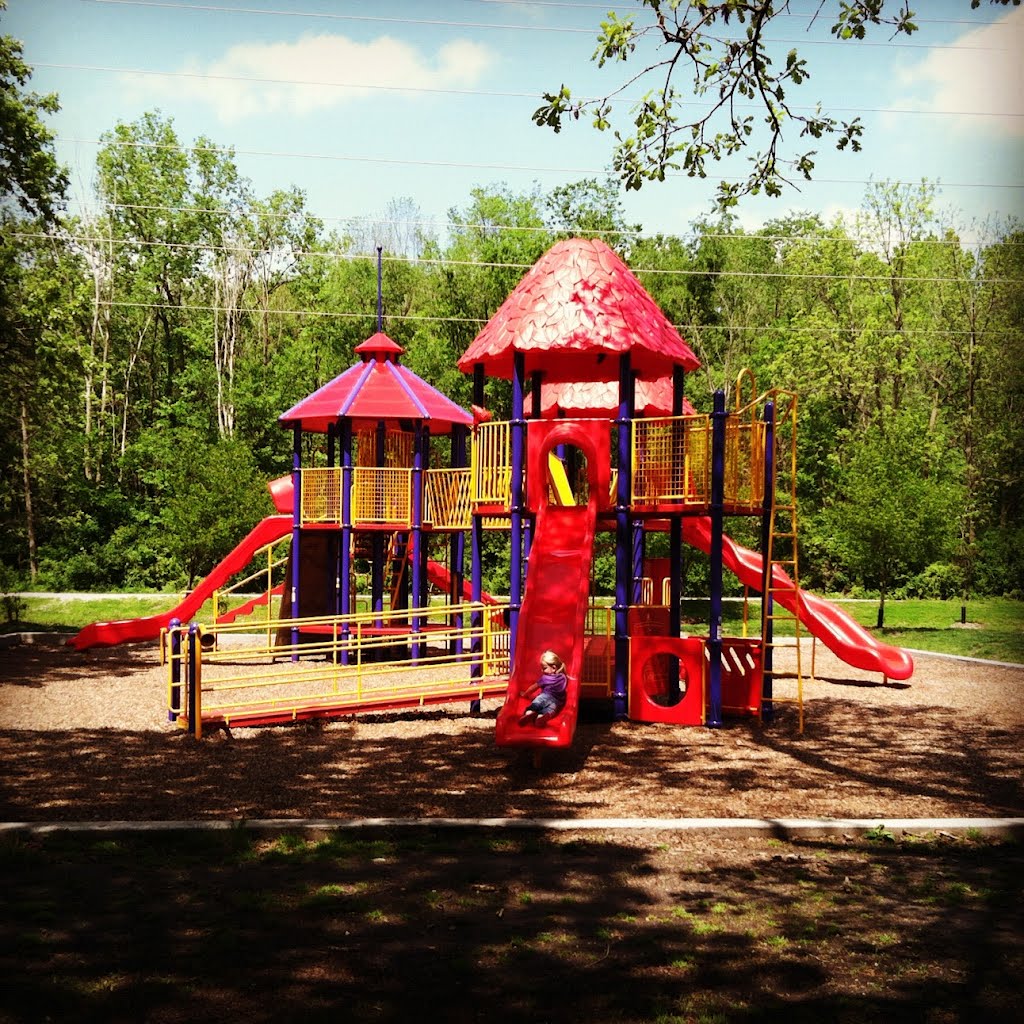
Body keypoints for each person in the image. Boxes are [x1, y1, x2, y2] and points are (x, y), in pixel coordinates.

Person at [519, 650, 567, 726]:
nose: (542, 671)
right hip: (556, 702)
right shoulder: (563, 677)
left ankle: (529, 713)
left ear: (554, 668)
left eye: (544, 668)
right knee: (550, 710)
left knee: (535, 705)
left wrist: (525, 694)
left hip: (543, 697)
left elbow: (533, 687)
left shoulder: (545, 678)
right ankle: (542, 717)